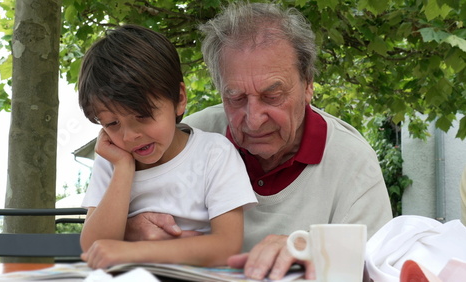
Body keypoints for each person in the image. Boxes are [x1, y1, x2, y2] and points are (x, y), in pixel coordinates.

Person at [124, 2, 393, 280]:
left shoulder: (352, 161)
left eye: (272, 96)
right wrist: (130, 229)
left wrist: (315, 250)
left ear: (308, 85)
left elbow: (380, 268)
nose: (253, 120)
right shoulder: (187, 137)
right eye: (236, 98)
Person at [77, 24, 257, 269]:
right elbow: (94, 245)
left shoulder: (214, 154)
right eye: (112, 123)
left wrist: (137, 252)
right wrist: (124, 168)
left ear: (179, 99)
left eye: (142, 116)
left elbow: (227, 247)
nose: (129, 136)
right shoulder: (112, 160)